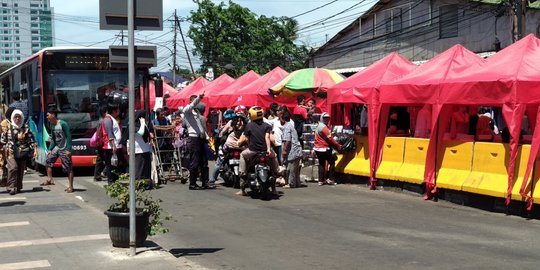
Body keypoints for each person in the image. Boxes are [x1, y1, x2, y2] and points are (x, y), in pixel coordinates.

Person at [237, 106, 280, 196]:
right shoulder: (267, 126)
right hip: (265, 151)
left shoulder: (248, 126)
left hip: (252, 151)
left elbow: (246, 139)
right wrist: (268, 149)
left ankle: (242, 175)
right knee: (274, 157)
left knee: (242, 155)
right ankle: (276, 174)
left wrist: (245, 144)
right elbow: (268, 138)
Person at [1, 109, 36, 195]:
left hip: (23, 152)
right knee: (13, 168)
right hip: (10, 152)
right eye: (16, 117)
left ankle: (18, 186)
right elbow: (3, 140)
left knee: (20, 169)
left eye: (19, 117)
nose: (17, 119)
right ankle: (11, 187)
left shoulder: (26, 128)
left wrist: (34, 151)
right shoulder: (8, 127)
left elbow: (31, 141)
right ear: (13, 117)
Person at [183, 94, 212, 190]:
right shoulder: (187, 111)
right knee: (194, 161)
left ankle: (204, 182)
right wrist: (199, 97)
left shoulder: (196, 113)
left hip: (200, 138)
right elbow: (191, 106)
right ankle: (192, 183)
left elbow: (200, 127)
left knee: (203, 161)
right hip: (193, 138)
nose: (198, 103)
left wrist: (207, 137)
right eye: (196, 102)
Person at [42, 108, 74, 192]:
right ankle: (49, 179)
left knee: (68, 168)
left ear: (53, 115)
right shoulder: (52, 125)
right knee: (48, 160)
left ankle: (71, 186)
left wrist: (69, 149)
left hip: (64, 148)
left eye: (48, 115)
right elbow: (53, 138)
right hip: (57, 147)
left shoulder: (63, 124)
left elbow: (69, 136)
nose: (47, 117)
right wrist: (50, 149)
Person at [314, 112, 342, 186]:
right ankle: (331, 179)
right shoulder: (324, 127)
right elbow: (330, 138)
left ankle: (321, 180)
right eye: (325, 118)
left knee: (321, 163)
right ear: (322, 118)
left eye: (328, 118)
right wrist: (337, 145)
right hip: (324, 148)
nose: (327, 119)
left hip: (318, 148)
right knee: (332, 162)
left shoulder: (319, 126)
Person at [102, 103, 125, 184]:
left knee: (116, 164)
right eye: (117, 110)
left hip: (116, 145)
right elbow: (109, 133)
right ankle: (111, 181)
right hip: (111, 147)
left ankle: (115, 180)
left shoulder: (112, 118)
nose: (119, 111)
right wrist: (113, 146)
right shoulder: (108, 119)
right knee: (111, 165)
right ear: (114, 111)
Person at [281, 110, 304, 188]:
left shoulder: (287, 127)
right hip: (297, 150)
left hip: (293, 151)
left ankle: (291, 183)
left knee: (290, 169)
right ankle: (297, 183)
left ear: (282, 119)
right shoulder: (290, 126)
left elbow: (287, 140)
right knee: (295, 169)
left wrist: (284, 150)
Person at [131, 110, 153, 185]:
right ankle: (138, 184)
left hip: (145, 149)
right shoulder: (134, 124)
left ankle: (147, 184)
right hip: (138, 150)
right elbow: (140, 133)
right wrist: (143, 123)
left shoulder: (143, 124)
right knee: (139, 168)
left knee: (146, 168)